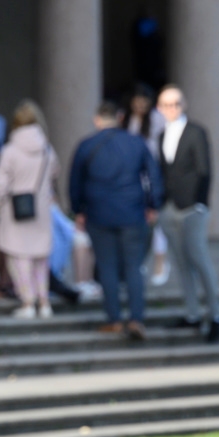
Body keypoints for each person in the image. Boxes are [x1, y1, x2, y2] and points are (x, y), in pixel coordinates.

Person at [69, 100, 163, 341]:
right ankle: (136, 318)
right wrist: (153, 204)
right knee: (134, 267)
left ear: (96, 119)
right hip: (132, 212)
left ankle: (114, 319)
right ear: (120, 117)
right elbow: (153, 174)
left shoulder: (86, 145)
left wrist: (78, 210)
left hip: (99, 213)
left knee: (107, 266)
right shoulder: (135, 143)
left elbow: (75, 181)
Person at [157, 85, 219, 342]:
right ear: (160, 108)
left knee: (200, 259)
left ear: (183, 105)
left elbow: (204, 169)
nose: (171, 109)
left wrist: (200, 202)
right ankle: (193, 313)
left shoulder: (196, 132)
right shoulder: (162, 135)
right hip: (171, 206)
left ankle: (216, 314)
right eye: (166, 105)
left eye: (175, 104)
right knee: (181, 263)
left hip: (192, 207)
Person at [0, 101, 59, 319]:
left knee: (19, 258)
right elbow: (53, 174)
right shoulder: (47, 149)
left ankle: (28, 302)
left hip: (15, 209)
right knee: (40, 258)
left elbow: (0, 184)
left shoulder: (10, 150)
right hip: (41, 209)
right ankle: (44, 302)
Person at [126, 83, 170, 287]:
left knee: (156, 222)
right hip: (133, 176)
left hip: (153, 175)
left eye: (144, 101)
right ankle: (139, 261)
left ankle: (160, 262)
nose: (141, 105)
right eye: (138, 100)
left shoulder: (157, 119)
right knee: (137, 222)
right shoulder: (126, 119)